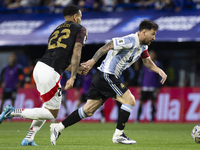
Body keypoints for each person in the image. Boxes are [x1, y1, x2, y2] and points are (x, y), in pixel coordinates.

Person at [49, 19, 167, 145]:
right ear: (143, 32)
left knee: (88, 110)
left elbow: (147, 61)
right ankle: (118, 135)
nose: (154, 37)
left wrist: (159, 71)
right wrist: (93, 61)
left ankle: (58, 127)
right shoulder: (131, 40)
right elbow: (108, 45)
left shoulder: (143, 46)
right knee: (130, 100)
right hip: (107, 75)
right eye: (152, 34)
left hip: (102, 76)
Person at [0, 5, 87, 146]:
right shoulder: (80, 29)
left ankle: (29, 138)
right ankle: (12, 112)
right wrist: (73, 77)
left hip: (40, 67)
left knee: (45, 108)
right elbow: (77, 52)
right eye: (80, 17)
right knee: (52, 113)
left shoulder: (55, 30)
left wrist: (75, 70)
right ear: (76, 17)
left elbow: (58, 59)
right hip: (50, 73)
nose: (81, 20)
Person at [136, 50, 162, 123]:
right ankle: (137, 119)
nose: (152, 56)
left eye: (153, 54)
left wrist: (159, 86)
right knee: (141, 102)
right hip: (144, 86)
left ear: (155, 56)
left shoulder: (158, 64)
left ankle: (152, 119)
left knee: (153, 103)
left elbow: (160, 75)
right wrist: (139, 85)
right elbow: (141, 75)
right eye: (150, 54)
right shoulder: (145, 64)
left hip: (153, 87)